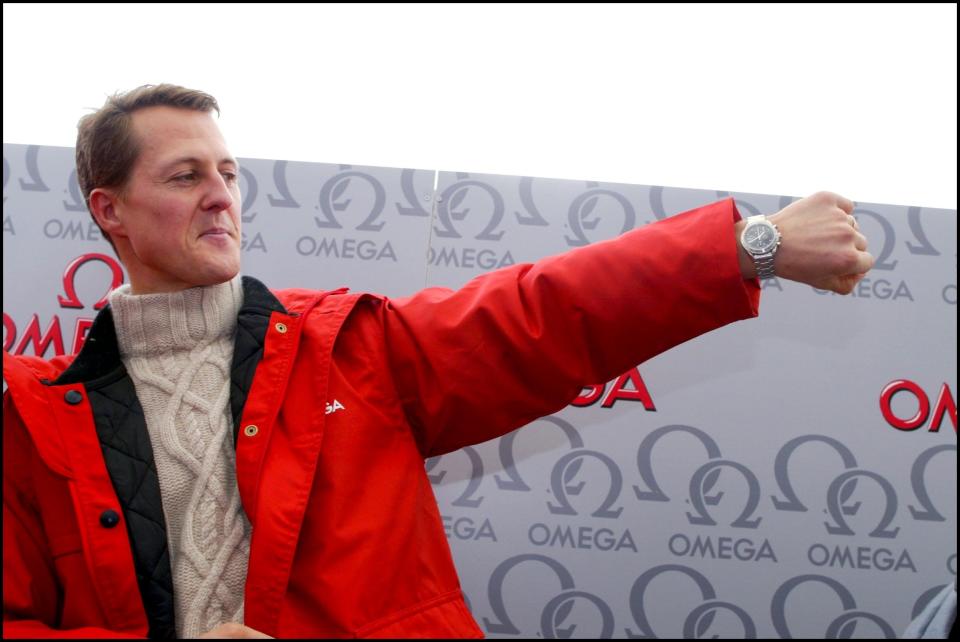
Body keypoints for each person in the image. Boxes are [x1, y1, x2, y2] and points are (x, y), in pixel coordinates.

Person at [2, 84, 874, 639]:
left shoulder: (350, 347)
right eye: (187, 175)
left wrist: (748, 245)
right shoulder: (31, 416)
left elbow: (551, 311)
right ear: (110, 211)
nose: (224, 195)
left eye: (229, 170)